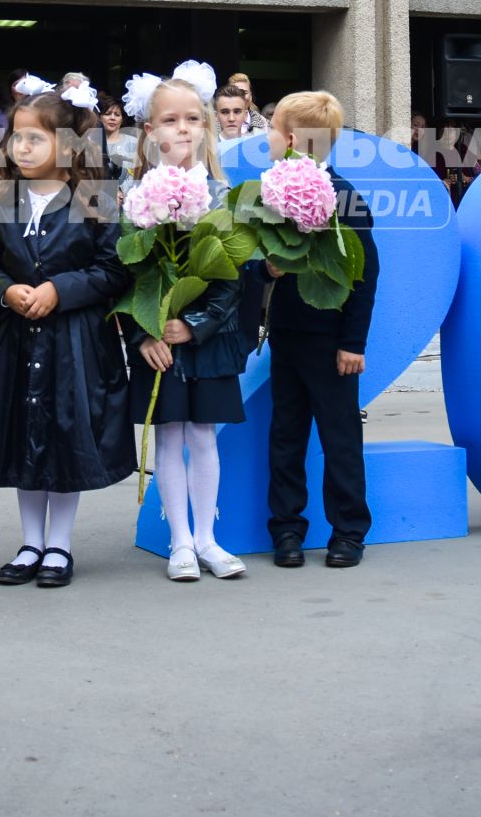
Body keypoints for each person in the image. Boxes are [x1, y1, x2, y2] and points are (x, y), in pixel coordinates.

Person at [0, 89, 132, 588]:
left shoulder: (96, 198)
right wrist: (4, 291)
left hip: (75, 340)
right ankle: (29, 542)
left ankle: (59, 544)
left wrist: (59, 290)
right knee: (26, 432)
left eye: (34, 137)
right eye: (16, 136)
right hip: (19, 338)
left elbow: (113, 268)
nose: (21, 147)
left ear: (65, 145)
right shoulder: (4, 200)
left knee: (65, 434)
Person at [123, 67, 250, 582]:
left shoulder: (224, 195)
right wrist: (147, 331)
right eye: (170, 120)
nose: (183, 128)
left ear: (207, 127)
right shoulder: (133, 198)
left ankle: (207, 539)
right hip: (159, 343)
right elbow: (124, 279)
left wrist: (193, 325)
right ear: (150, 131)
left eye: (193, 119)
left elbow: (232, 278)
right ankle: (178, 541)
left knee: (204, 436)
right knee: (169, 434)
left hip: (208, 340)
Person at [257, 90, 377, 570]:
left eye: (271, 127)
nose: (265, 134)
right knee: (285, 436)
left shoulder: (345, 195)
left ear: (291, 139)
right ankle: (286, 529)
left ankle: (349, 531)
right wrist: (266, 272)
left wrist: (353, 342)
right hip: (287, 335)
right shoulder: (268, 192)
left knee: (339, 437)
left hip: (332, 344)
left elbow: (366, 273)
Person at [99, 92, 138, 181]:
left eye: (117, 115)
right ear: (99, 117)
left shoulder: (133, 142)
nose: (113, 118)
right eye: (108, 114)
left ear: (122, 119)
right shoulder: (93, 143)